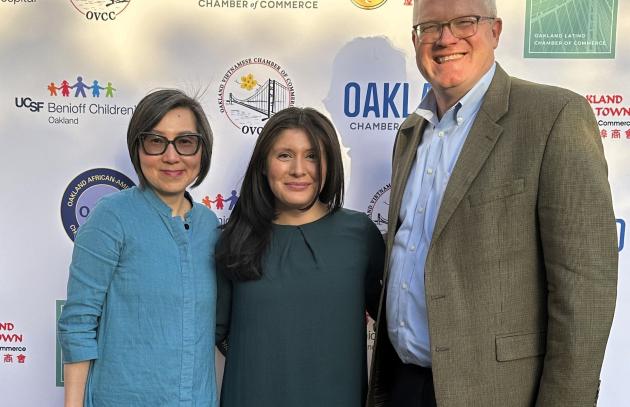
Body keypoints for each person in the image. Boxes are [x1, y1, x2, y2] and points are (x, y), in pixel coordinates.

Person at [367, 1, 618, 406]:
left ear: (495, 31)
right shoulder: (411, 133)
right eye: (429, 27)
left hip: (498, 393)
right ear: (416, 40)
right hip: (403, 385)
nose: (445, 38)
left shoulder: (554, 117)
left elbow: (584, 291)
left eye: (464, 22)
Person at [57, 89, 220, 407]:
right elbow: (78, 321)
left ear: (202, 151)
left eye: (185, 142)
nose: (171, 157)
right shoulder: (112, 216)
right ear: (138, 148)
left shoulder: (210, 226)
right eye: (156, 141)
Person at [215, 107, 385, 407]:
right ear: (264, 165)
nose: (298, 169)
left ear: (329, 164)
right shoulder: (232, 239)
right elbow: (213, 331)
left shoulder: (360, 234)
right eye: (284, 155)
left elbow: (395, 324)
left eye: (312, 156)